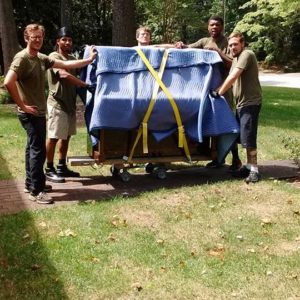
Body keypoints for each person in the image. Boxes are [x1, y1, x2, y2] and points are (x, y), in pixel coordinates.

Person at [4, 24, 96, 204]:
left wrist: (89, 60)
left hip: (37, 112)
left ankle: (31, 183)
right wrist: (22, 104)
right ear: (26, 37)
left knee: (32, 148)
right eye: (34, 37)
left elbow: (66, 64)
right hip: (31, 112)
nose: (37, 40)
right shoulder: (22, 58)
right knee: (38, 151)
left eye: (40, 37)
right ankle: (37, 191)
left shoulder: (40, 58)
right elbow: (8, 82)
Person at [176, 16, 242, 170]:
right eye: (212, 25)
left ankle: (236, 159)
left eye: (217, 25)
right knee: (209, 121)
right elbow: (188, 48)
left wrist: (217, 52)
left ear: (222, 27)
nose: (214, 27)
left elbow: (233, 64)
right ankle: (217, 158)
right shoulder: (204, 41)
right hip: (205, 90)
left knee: (226, 123)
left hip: (224, 89)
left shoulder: (227, 43)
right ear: (208, 27)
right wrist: (181, 45)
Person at [210, 32, 262, 183]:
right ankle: (247, 166)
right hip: (241, 103)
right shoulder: (235, 59)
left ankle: (255, 171)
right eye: (230, 45)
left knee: (249, 136)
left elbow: (233, 77)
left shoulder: (247, 54)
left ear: (242, 44)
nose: (232, 47)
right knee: (243, 136)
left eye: (235, 44)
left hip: (251, 102)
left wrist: (219, 92)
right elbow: (229, 77)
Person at [45, 27, 92, 183]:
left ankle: (61, 166)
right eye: (64, 39)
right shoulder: (53, 56)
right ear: (58, 41)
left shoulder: (71, 57)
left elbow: (81, 68)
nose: (67, 42)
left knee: (66, 137)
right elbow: (64, 75)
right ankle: (49, 168)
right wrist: (84, 84)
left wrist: (88, 51)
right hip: (57, 103)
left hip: (69, 104)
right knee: (53, 137)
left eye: (70, 40)